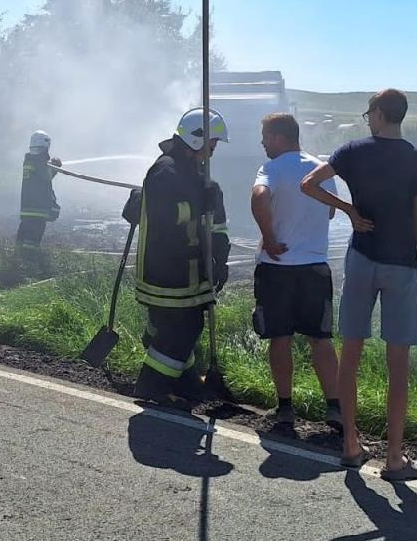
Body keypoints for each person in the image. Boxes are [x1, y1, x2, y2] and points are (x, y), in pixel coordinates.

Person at [302, 89, 417, 478]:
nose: (368, 119)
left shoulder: (352, 151)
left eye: (369, 114)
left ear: (379, 114)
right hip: (401, 267)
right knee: (398, 365)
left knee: (351, 353)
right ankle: (395, 459)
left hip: (361, 259)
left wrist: (348, 210)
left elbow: (308, 184)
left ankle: (351, 446)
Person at [250, 111, 341, 432]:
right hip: (315, 267)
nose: (262, 143)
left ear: (278, 137)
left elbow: (259, 196)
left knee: (281, 338)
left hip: (278, 269)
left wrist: (271, 238)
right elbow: (330, 212)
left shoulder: (271, 168)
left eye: (265, 136)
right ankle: (335, 408)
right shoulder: (321, 168)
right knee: (321, 339)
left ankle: (285, 408)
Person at [132, 108, 231, 403]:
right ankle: (152, 386)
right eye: (211, 144)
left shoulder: (196, 174)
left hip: (189, 269)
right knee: (183, 327)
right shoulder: (166, 170)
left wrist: (220, 259)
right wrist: (198, 204)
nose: (212, 151)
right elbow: (163, 217)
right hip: (167, 268)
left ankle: (184, 381)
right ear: (196, 139)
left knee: (181, 325)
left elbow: (217, 225)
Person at [16, 132, 61, 246]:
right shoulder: (39, 161)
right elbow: (46, 178)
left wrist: (52, 167)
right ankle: (31, 262)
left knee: (21, 242)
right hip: (37, 212)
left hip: (27, 210)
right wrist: (56, 166)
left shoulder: (30, 160)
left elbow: (41, 179)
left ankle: (16, 261)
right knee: (31, 245)